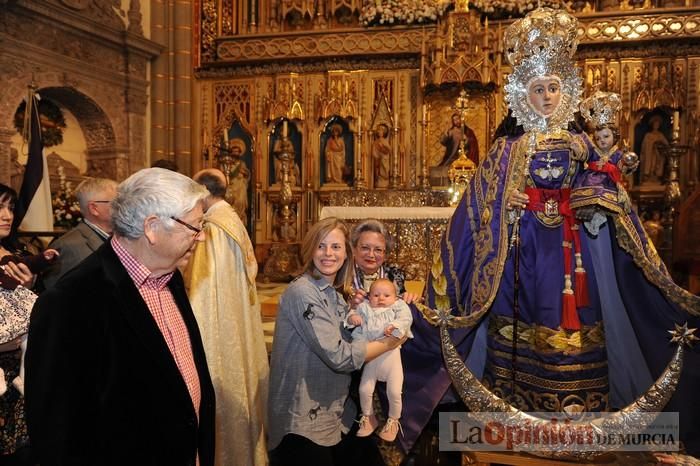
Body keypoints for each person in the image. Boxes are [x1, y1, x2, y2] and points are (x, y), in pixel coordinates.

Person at [401, 7, 700, 458]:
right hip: (521, 255)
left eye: (553, 87)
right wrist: (504, 204)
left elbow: (604, 185)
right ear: (523, 94)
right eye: (537, 88)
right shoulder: (507, 148)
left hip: (574, 253)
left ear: (567, 91)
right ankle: (518, 402)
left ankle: (576, 407)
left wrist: (597, 199)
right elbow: (477, 201)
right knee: (523, 322)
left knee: (573, 320)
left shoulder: (582, 144)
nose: (546, 96)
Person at [25, 168, 216, 465]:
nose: (201, 237)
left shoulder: (169, 276)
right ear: (152, 227)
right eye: (194, 227)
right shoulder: (70, 302)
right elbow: (57, 434)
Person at [267, 217, 405, 466]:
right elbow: (340, 356)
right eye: (321, 246)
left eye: (336, 247)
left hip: (336, 410)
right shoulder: (303, 292)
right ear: (310, 250)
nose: (328, 253)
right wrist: (392, 341)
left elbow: (354, 337)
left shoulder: (334, 293)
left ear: (346, 254)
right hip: (302, 418)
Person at [184, 168, 268, 466]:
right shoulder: (232, 220)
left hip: (219, 324)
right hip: (238, 320)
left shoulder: (211, 229)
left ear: (204, 193)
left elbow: (201, 292)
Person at [0, 183, 42, 463]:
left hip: (19, 374)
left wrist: (29, 285)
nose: (7, 215)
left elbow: (35, 310)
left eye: (11, 208)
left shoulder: (15, 251)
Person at [347, 278, 413, 442]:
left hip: (392, 358)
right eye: (376, 295)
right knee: (364, 390)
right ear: (369, 297)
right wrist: (352, 318)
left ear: (396, 297)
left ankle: (393, 421)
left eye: (386, 295)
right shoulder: (365, 308)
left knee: (394, 392)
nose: (381, 299)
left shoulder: (398, 307)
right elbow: (350, 316)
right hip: (371, 359)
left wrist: (395, 327)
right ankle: (369, 417)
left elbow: (406, 320)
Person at [0, 247, 58, 396]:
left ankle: (25, 378)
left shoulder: (10, 257)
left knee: (30, 340)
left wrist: (44, 258)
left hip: (14, 310)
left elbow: (29, 262)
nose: (6, 221)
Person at [41, 177, 118, 289]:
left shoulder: (122, 237)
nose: (123, 208)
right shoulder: (67, 247)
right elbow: (59, 299)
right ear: (94, 209)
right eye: (117, 202)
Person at [350, 219, 420, 305]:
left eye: (378, 250)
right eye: (365, 248)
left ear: (385, 254)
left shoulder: (394, 275)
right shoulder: (342, 274)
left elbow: (400, 303)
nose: (371, 255)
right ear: (354, 249)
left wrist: (409, 299)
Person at [219, 138, 251, 224]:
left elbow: (247, 175)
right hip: (231, 187)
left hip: (240, 187)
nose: (236, 153)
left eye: (237, 151)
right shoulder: (227, 163)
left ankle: (240, 221)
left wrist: (244, 174)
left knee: (240, 204)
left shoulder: (242, 163)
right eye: (234, 151)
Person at [640, 114, 669, 183]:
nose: (656, 125)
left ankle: (655, 176)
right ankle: (648, 176)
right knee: (650, 166)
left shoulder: (660, 135)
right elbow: (643, 147)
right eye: (655, 124)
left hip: (657, 155)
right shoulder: (648, 135)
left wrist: (659, 146)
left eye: (657, 124)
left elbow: (666, 144)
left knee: (656, 166)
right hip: (649, 155)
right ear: (652, 125)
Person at [371, 124, 391, 188]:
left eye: (381, 131)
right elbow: (374, 151)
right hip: (377, 159)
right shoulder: (375, 142)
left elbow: (389, 150)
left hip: (384, 159)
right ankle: (378, 181)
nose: (379, 132)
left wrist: (383, 148)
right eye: (378, 130)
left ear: (384, 133)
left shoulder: (385, 141)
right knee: (378, 172)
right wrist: (376, 156)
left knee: (384, 170)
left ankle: (384, 181)